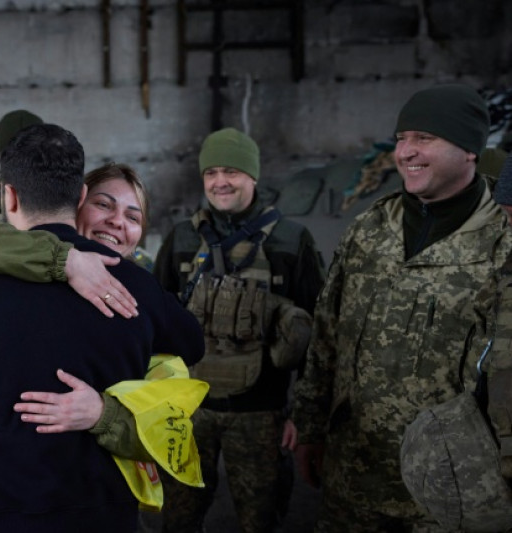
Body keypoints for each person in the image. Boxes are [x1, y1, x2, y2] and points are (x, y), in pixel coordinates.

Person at [0, 124, 204, 532]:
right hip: (109, 518)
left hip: (7, 518)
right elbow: (191, 344)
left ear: (10, 196)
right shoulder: (136, 288)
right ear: (82, 197)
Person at [290, 83, 512, 530]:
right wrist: (309, 428)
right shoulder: (370, 230)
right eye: (400, 139)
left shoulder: (502, 238)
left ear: (469, 149)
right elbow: (326, 338)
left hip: (447, 492)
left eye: (424, 138)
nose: (406, 152)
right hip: (353, 476)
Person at [0, 163, 168, 532]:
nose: (117, 221)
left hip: (90, 490)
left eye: (133, 215)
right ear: (77, 202)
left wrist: (105, 414)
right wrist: (63, 260)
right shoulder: (12, 254)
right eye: (104, 205)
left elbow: (171, 424)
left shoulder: (143, 293)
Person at [147, 127, 325, 532]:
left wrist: (303, 415)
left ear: (253, 176)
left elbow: (320, 335)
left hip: (262, 416)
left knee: (260, 521)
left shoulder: (291, 240)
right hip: (190, 413)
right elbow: (154, 324)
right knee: (177, 519)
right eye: (211, 173)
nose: (220, 182)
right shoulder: (182, 237)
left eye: (231, 171)